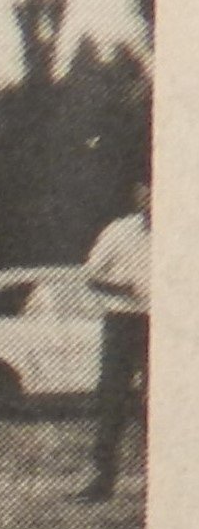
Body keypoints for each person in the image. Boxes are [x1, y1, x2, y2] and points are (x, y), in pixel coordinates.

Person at [79, 180, 150, 503]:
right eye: (146, 190)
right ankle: (101, 482)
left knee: (161, 403)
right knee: (111, 401)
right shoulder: (120, 231)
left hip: (165, 324)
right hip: (123, 322)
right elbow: (91, 276)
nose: (151, 198)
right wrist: (122, 288)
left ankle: (161, 482)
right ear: (136, 194)